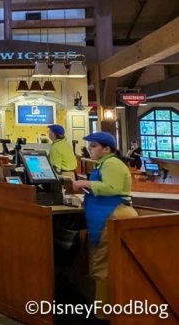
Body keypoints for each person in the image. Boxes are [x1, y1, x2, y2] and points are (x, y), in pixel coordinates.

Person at [72, 132, 137, 322]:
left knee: (104, 267)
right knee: (101, 265)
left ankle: (103, 316)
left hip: (113, 216)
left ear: (106, 149)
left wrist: (84, 182)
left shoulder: (112, 164)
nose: (90, 149)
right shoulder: (104, 164)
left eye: (94, 146)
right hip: (105, 216)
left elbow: (111, 188)